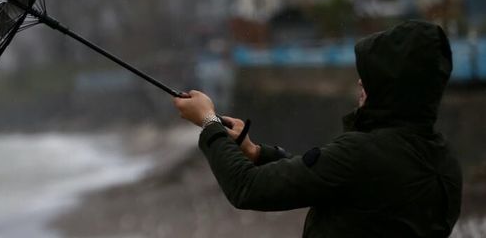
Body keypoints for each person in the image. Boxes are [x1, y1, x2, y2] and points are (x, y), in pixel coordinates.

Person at [174, 20, 462, 237]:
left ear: (394, 87)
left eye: (371, 77)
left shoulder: (360, 154)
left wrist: (208, 122)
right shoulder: (444, 161)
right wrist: (257, 152)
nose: (360, 83)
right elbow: (333, 181)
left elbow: (248, 188)